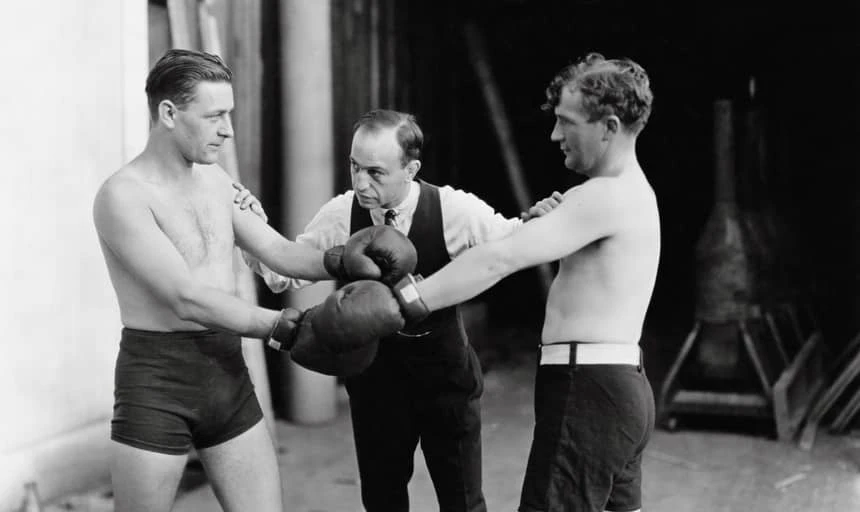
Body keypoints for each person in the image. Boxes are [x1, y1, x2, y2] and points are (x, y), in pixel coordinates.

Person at [92, 49, 413, 512]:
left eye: (230, 114)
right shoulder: (122, 196)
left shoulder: (216, 182)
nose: (229, 129)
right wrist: (284, 326)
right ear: (168, 113)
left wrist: (342, 259)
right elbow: (186, 298)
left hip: (227, 374)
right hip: (157, 383)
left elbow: (280, 252)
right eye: (215, 115)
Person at [238, 109, 561, 512]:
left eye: (376, 173)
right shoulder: (343, 213)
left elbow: (514, 244)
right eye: (354, 167)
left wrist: (545, 218)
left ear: (411, 169)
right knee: (382, 502)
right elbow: (281, 274)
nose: (361, 183)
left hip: (446, 382)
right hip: (376, 388)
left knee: (463, 503)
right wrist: (249, 226)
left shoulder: (453, 210)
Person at [382, 53, 658, 512]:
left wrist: (407, 300)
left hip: (587, 391)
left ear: (609, 127)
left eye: (567, 122)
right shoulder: (629, 192)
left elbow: (498, 258)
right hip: (620, 388)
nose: (555, 135)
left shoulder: (602, 197)